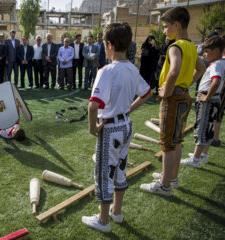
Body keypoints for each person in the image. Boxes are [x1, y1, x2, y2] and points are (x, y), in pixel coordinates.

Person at [82, 22, 152, 233]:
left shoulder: (107, 70)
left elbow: (93, 104)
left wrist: (92, 127)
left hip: (110, 128)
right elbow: (147, 93)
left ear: (109, 45)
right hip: (126, 125)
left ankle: (103, 221)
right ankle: (116, 211)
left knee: (103, 173)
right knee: (120, 167)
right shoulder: (132, 67)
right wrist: (128, 110)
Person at [140, 7, 206, 196]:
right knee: (176, 139)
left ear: (176, 25)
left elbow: (174, 71)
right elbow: (200, 68)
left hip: (174, 98)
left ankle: (164, 185)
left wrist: (167, 92)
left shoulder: (175, 47)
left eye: (166, 26)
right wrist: (184, 86)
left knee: (167, 142)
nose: (164, 30)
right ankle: (171, 178)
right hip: (183, 96)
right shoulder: (191, 46)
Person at [180, 36, 225, 167]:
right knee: (209, 127)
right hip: (215, 98)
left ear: (216, 51)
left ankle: (195, 159)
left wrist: (207, 97)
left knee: (202, 128)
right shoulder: (222, 63)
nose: (204, 54)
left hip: (208, 100)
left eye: (206, 51)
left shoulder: (216, 65)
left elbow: (216, 82)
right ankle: (203, 154)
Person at [212, 35, 225, 147]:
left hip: (222, 90)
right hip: (221, 89)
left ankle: (215, 138)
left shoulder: (222, 60)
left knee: (218, 113)